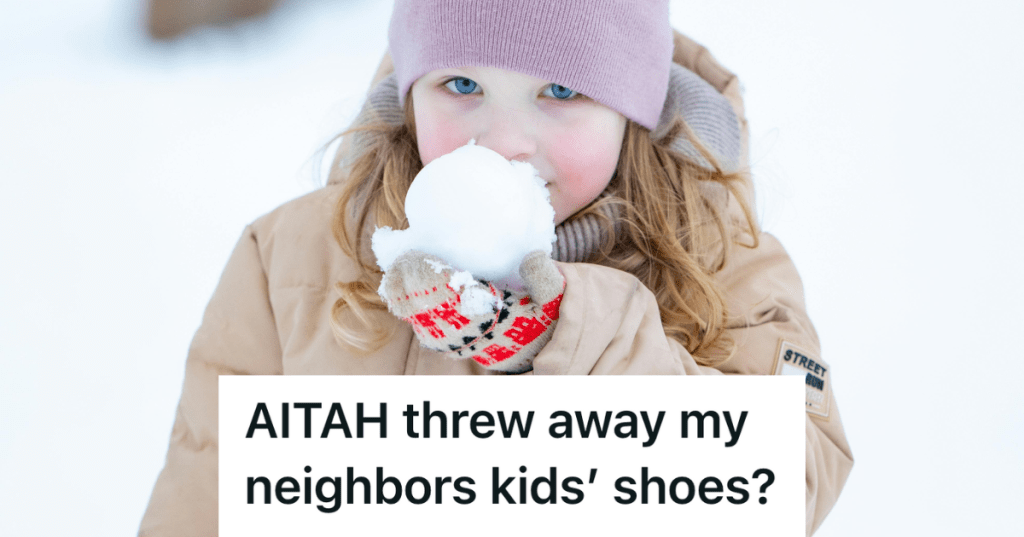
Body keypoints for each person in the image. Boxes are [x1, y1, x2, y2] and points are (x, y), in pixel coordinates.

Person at [139, 1, 853, 535]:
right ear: (409, 92)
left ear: (632, 112)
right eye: (460, 85)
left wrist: (579, 336)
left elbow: (783, 484)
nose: (505, 140)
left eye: (562, 92)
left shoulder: (721, 262)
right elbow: (212, 495)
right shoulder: (293, 261)